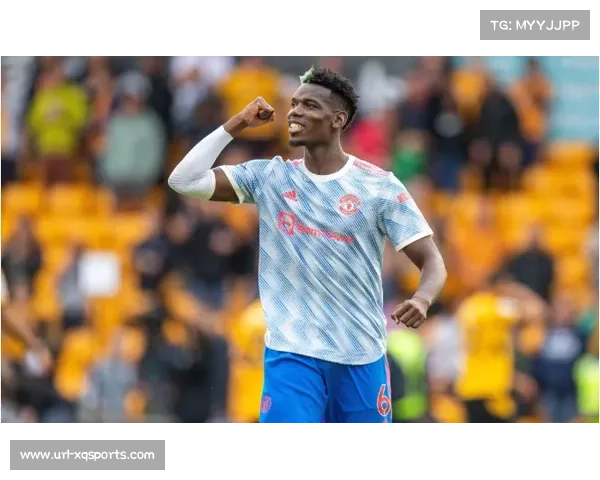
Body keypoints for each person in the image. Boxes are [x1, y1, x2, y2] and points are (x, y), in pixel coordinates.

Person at [168, 66, 447, 424]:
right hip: (292, 353)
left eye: (309, 106)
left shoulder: (379, 187)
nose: (295, 112)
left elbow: (432, 261)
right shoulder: (270, 177)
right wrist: (236, 124)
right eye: (294, 104)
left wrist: (422, 299)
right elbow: (184, 180)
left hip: (361, 355)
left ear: (337, 119)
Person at [454, 271, 547, 424]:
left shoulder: (468, 306)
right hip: (492, 390)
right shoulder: (498, 307)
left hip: (469, 385)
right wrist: (518, 290)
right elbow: (537, 310)